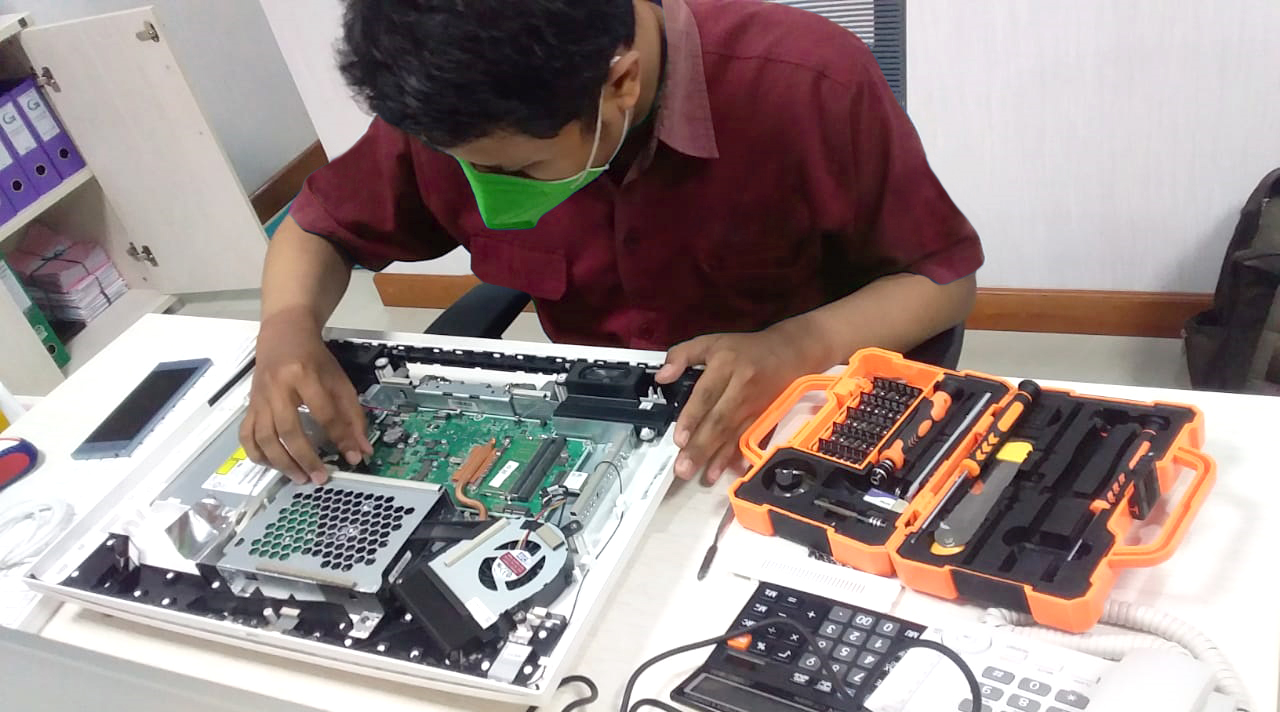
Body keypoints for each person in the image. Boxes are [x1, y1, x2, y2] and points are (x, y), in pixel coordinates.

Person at [241, 0, 983, 487]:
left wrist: (798, 344)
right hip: (597, 445)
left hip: (785, 430)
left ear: (620, 83)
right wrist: (285, 328)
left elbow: (942, 277)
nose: (485, 189)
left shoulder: (807, 82)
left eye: (517, 171)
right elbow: (316, 227)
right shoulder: (458, 105)